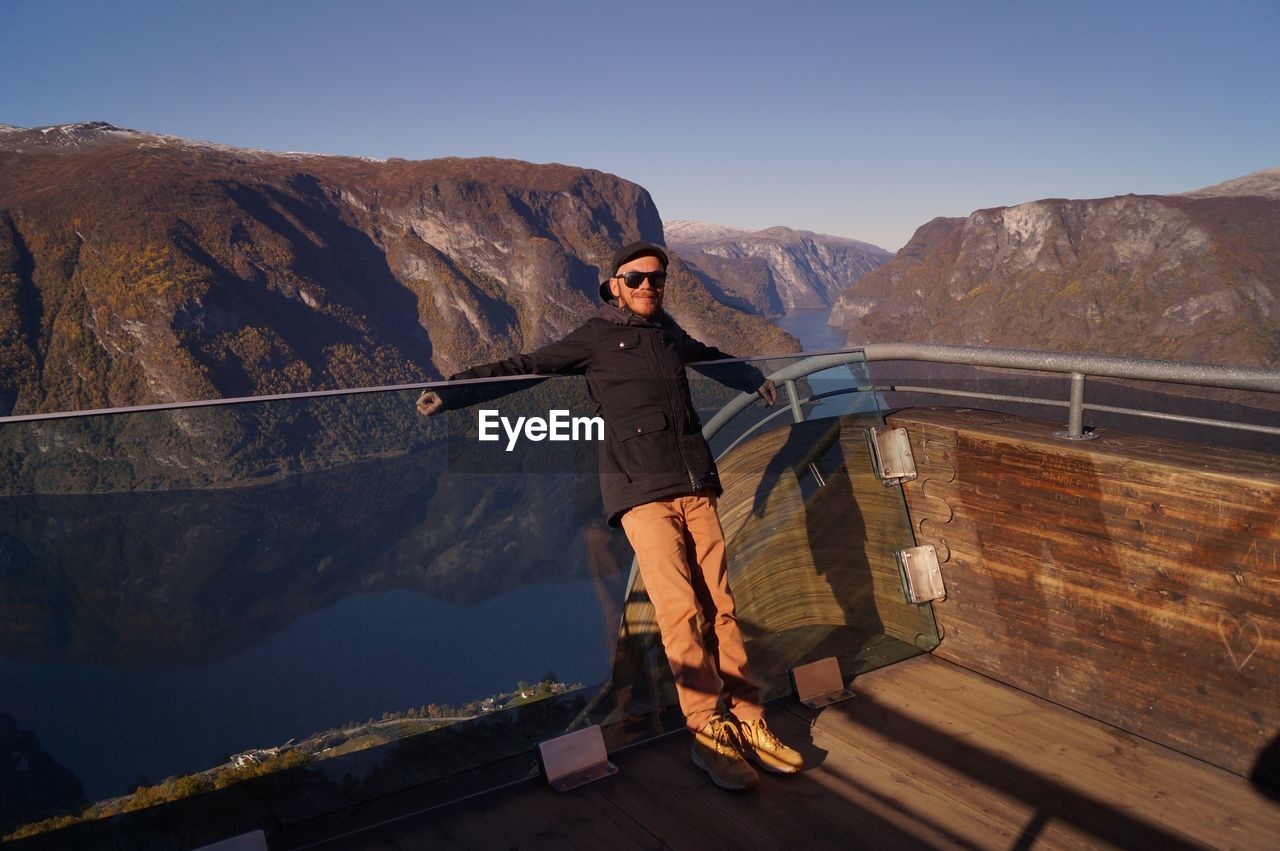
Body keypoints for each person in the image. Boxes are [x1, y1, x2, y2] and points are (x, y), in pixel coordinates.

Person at [416, 241, 803, 790]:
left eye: (658, 278)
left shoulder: (668, 334)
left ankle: (751, 722)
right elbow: (527, 367)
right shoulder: (595, 337)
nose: (650, 285)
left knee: (722, 607)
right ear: (615, 285)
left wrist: (750, 379)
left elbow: (708, 355)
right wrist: (455, 393)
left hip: (695, 482)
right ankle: (707, 732)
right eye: (638, 278)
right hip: (641, 492)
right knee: (680, 613)